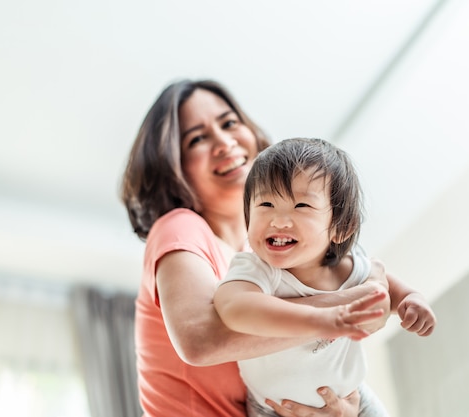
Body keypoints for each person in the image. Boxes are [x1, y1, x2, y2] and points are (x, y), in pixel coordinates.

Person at [120, 79, 432, 417]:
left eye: (229, 123)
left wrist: (340, 407)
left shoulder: (268, 256)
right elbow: (200, 342)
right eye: (197, 138)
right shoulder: (180, 226)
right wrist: (350, 306)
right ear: (172, 164)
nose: (224, 142)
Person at [213, 138, 436, 417]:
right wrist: (321, 319)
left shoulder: (351, 267)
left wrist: (411, 300)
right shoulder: (257, 269)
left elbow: (384, 286)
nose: (279, 220)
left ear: (341, 228)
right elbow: (234, 307)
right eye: (266, 203)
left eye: (302, 206)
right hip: (276, 409)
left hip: (353, 397)